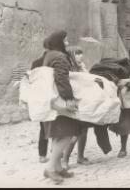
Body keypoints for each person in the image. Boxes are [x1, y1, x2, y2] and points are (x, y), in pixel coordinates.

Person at [42, 30, 83, 184]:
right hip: (61, 100)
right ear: (59, 42)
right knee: (66, 134)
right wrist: (69, 99)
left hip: (53, 101)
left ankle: (58, 167)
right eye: (65, 41)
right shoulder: (59, 57)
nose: (67, 43)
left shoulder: (49, 54)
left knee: (58, 135)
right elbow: (62, 79)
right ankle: (51, 169)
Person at [62, 46, 91, 169]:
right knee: (74, 134)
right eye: (77, 54)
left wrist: (83, 68)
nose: (80, 56)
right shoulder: (68, 68)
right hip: (74, 102)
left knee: (84, 132)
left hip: (84, 100)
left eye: (81, 54)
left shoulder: (81, 66)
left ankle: (80, 156)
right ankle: (65, 160)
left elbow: (89, 79)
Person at [31, 38, 51, 164]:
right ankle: (57, 153)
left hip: (41, 98)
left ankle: (42, 155)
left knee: (43, 128)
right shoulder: (55, 61)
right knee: (58, 125)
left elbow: (32, 82)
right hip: (53, 97)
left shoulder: (35, 62)